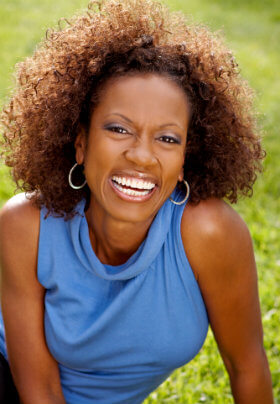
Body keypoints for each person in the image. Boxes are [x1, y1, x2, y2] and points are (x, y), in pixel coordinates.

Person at [0, 0, 274, 403]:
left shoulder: (210, 233)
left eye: (167, 139)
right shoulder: (26, 225)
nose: (143, 156)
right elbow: (39, 389)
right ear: (80, 143)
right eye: (118, 129)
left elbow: (246, 365)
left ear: (184, 160)